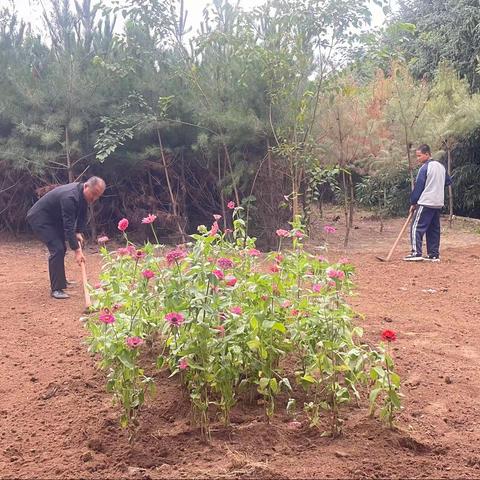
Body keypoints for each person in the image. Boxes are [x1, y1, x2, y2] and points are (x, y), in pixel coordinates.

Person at [27, 176, 106, 299]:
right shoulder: (70, 197)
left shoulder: (83, 195)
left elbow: (82, 215)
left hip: (52, 219)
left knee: (61, 248)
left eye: (98, 196)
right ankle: (56, 289)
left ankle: (60, 280)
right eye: (94, 194)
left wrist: (79, 232)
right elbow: (68, 227)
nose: (94, 198)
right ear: (86, 186)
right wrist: (77, 251)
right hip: (40, 218)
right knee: (57, 248)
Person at [403, 144, 452, 262]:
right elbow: (448, 181)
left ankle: (416, 253)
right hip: (438, 202)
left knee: (416, 227)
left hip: (426, 202)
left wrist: (413, 202)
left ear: (427, 154)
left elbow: (419, 186)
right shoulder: (441, 166)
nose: (418, 158)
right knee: (433, 229)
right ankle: (434, 255)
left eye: (419, 156)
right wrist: (436, 187)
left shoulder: (424, 168)